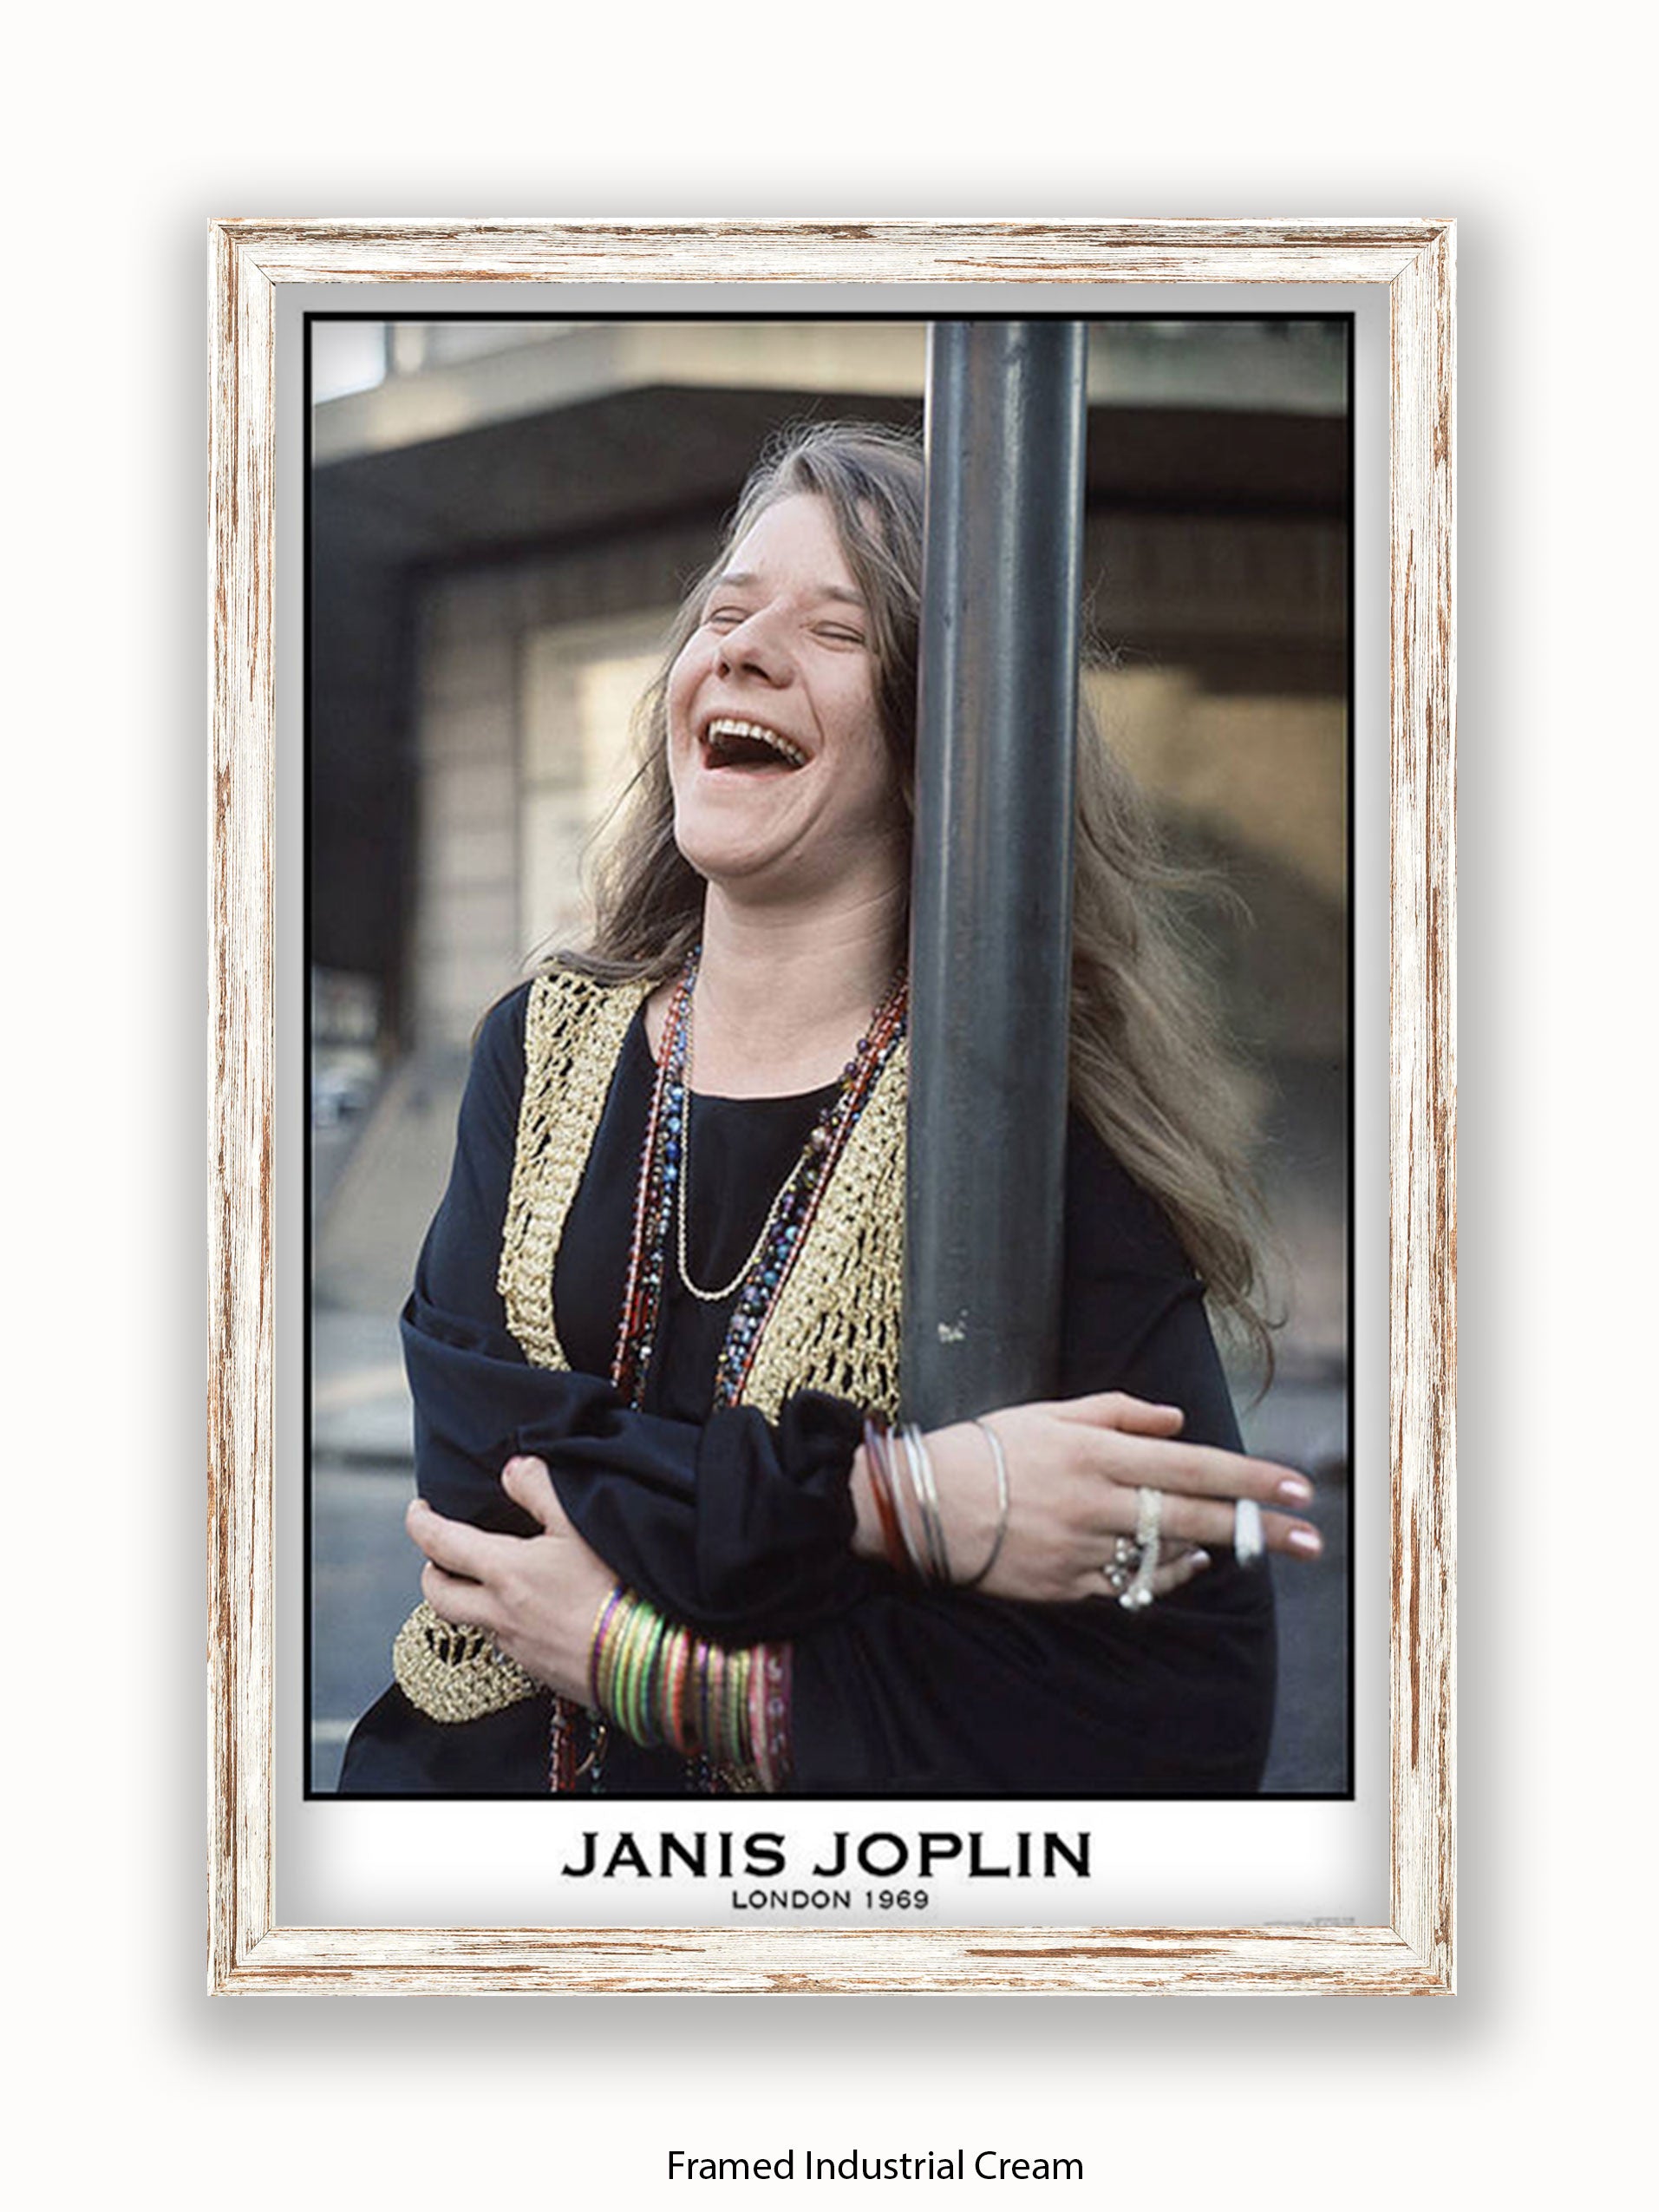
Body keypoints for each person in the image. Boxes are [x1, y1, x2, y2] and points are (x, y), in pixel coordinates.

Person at [339, 421, 1322, 1800]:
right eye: (723, 614)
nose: (740, 650)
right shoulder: (541, 1050)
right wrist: (896, 1505)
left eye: (834, 630)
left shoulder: (1033, 1134)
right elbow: (483, 1483)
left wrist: (644, 1659)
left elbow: (1178, 1713)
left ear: (939, 742)